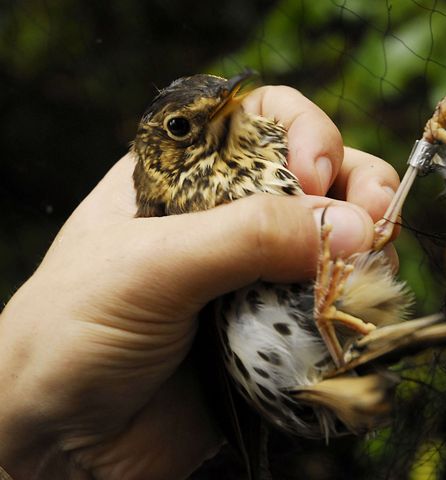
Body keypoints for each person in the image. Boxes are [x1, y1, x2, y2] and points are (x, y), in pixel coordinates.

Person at [0, 85, 403, 480]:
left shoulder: (267, 143)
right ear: (156, 157)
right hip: (296, 374)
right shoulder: (175, 214)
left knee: (373, 227)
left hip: (324, 341)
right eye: (180, 127)